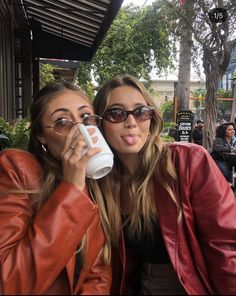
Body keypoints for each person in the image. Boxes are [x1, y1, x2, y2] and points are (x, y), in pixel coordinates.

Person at [91, 75, 236, 295]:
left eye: (140, 112)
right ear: (99, 125)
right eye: (116, 113)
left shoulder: (187, 161)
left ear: (151, 119)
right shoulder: (102, 181)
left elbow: (226, 246)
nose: (131, 122)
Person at [0, 82, 111, 294]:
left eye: (86, 118)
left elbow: (98, 273)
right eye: (62, 121)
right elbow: (8, 281)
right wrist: (72, 190)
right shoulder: (16, 168)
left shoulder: (97, 184)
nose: (80, 129)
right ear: (41, 136)